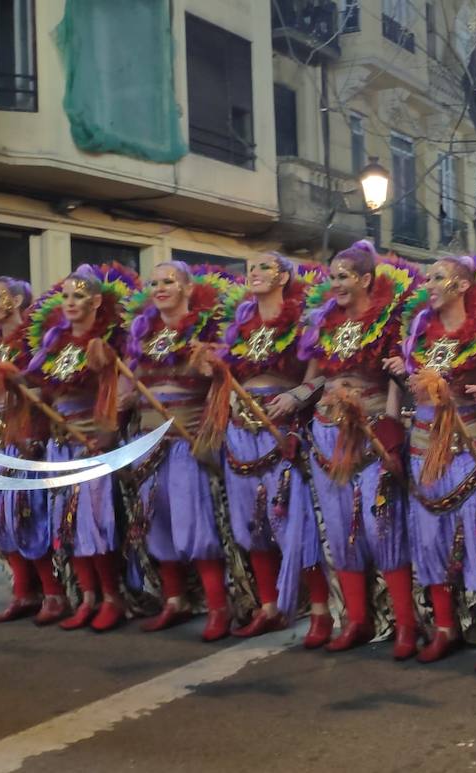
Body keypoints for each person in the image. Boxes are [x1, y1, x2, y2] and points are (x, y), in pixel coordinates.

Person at [270, 240, 419, 658]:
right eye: (332, 276)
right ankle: (356, 619)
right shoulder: (324, 322)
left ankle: (406, 625)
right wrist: (296, 397)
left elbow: (395, 378)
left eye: (344, 276)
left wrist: (391, 427)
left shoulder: (390, 318)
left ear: (366, 279)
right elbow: (315, 378)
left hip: (370, 432)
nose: (334, 283)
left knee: (380, 527)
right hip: (325, 435)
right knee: (339, 530)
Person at [388, 254, 476, 673]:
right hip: (424, 447)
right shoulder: (418, 333)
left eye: (438, 277)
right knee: (429, 540)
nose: (428, 284)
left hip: (467, 447)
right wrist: (401, 373)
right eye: (428, 277)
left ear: (462, 286)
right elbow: (408, 392)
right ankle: (445, 627)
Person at [214, 254, 332, 649]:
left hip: (284, 431)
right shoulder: (240, 327)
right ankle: (269, 607)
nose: (255, 273)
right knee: (252, 523)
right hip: (241, 431)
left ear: (284, 276)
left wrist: (297, 396)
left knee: (296, 523)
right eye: (250, 268)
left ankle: (319, 610)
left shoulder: (306, 321)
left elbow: (321, 376)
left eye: (265, 268)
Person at [25, 264, 139, 632]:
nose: (71, 302)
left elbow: (124, 391)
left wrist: (107, 432)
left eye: (79, 296)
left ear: (96, 301)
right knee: (68, 525)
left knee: (97, 524)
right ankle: (86, 597)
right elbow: (43, 390)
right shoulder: (52, 344)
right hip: (60, 447)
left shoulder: (112, 341)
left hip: (92, 445)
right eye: (66, 296)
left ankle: (111, 598)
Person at [125, 262, 234, 642]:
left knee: (197, 525)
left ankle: (219, 607)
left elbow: (223, 382)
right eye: (153, 283)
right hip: (147, 443)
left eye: (168, 281)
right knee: (156, 522)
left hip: (188, 443)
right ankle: (175, 601)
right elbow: (128, 390)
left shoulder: (208, 330)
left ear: (187, 288)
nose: (160, 288)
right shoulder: (141, 335)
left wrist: (212, 364)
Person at [0, 275, 71, 625]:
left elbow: (48, 388)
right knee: (3, 519)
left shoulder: (38, 339)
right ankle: (24, 593)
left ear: (19, 300)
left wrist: (20, 387)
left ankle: (54, 594)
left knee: (29, 515)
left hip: (27, 437)